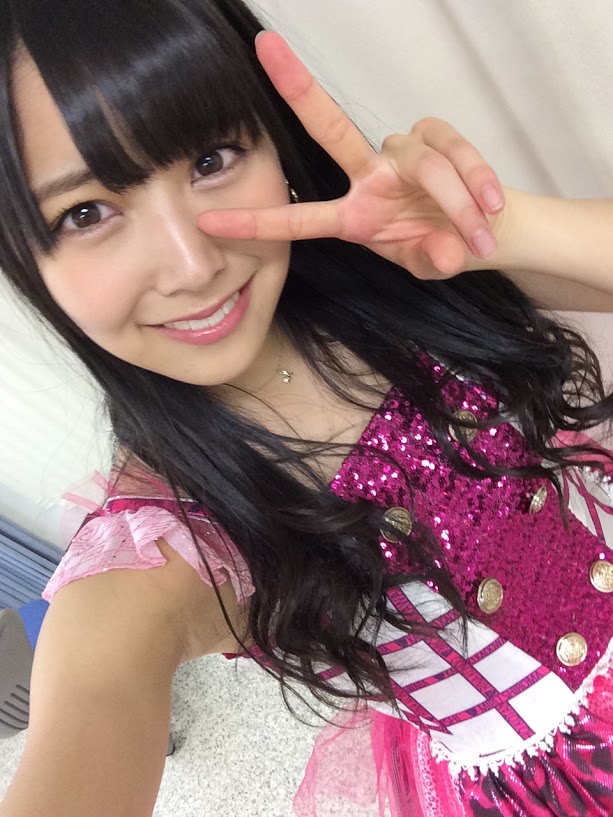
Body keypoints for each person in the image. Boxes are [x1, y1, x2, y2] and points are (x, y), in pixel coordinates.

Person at [0, 1, 612, 815]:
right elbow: (94, 692)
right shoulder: (167, 539)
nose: (193, 264)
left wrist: (502, 230)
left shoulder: (394, 269)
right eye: (85, 214)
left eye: (211, 158)